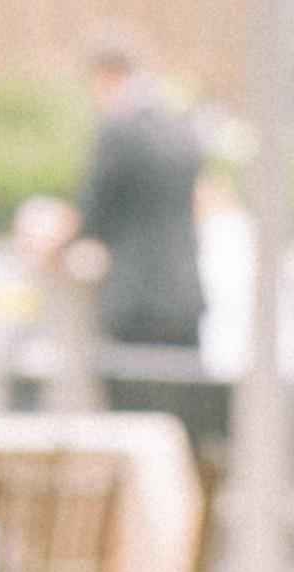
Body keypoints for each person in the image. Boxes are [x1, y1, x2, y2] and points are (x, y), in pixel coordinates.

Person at [69, 37, 222, 450]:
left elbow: (93, 215)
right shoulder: (182, 125)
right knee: (183, 430)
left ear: (106, 76)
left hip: (135, 302)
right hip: (185, 299)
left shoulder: (120, 131)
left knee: (134, 435)